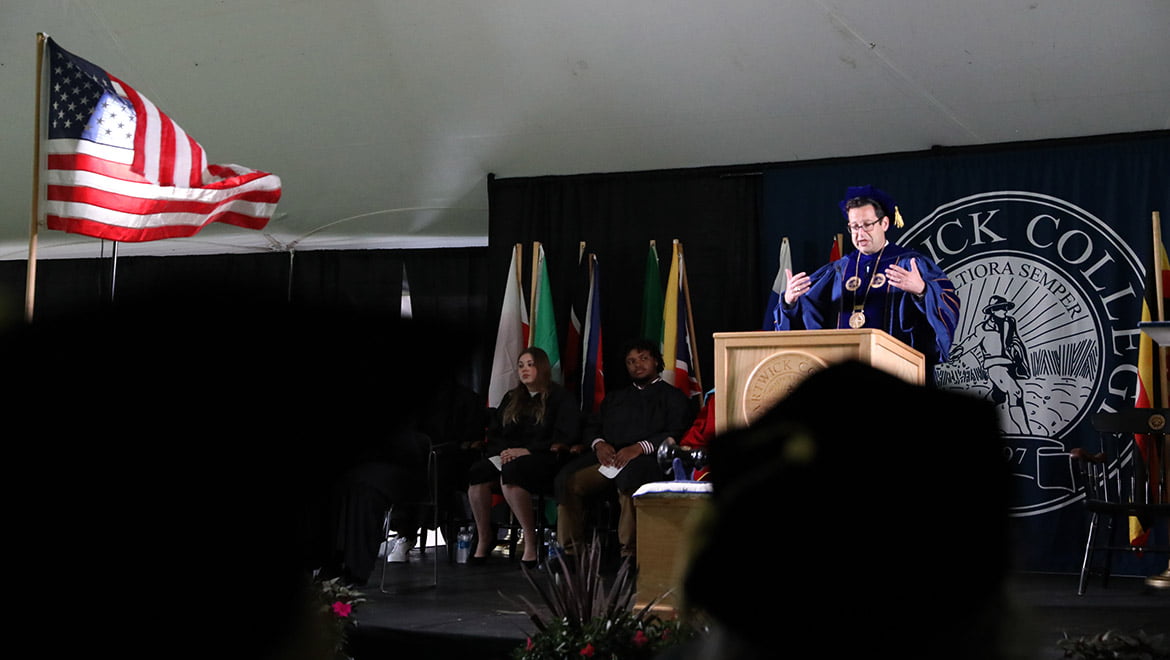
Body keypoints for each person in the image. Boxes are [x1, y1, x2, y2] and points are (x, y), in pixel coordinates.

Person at [767, 185, 960, 374]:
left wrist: (922, 291)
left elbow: (947, 302)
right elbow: (810, 315)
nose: (860, 234)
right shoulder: (839, 269)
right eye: (854, 227)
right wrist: (789, 301)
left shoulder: (910, 263)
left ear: (884, 223)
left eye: (867, 225)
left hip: (898, 373)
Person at [554, 338, 693, 560]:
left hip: (647, 459)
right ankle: (571, 553)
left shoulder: (673, 397)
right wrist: (599, 444)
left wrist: (639, 447)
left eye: (643, 359)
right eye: (631, 361)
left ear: (656, 361)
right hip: (608, 458)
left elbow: (675, 432)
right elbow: (593, 426)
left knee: (631, 478)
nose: (637, 365)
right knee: (567, 481)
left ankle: (629, 554)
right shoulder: (616, 398)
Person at [466, 347, 579, 567]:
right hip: (508, 456)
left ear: (542, 367)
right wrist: (503, 452)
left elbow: (564, 435)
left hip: (543, 459)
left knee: (512, 473)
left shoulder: (559, 397)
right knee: (477, 473)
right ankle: (485, 535)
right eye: (520, 366)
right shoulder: (512, 397)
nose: (524, 370)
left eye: (530, 365)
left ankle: (530, 538)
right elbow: (497, 432)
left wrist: (527, 451)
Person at [949, 294, 1032, 434]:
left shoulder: (1010, 322)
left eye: (1005, 308)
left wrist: (1017, 352)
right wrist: (959, 351)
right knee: (1016, 392)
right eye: (1001, 308)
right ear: (993, 310)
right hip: (995, 365)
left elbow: (1016, 339)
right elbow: (972, 340)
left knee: (997, 397)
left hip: (1009, 364)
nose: (1005, 311)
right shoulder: (983, 328)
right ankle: (1026, 433)